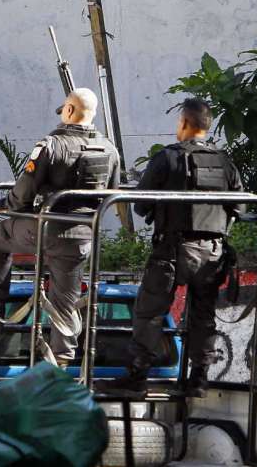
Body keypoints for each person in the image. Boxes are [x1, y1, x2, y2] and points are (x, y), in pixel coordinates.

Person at [97, 98, 243, 398]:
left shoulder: (168, 158)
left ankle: (137, 376)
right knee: (203, 315)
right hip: (213, 252)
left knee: (149, 311)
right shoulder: (225, 161)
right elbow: (239, 205)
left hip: (173, 251)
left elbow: (140, 206)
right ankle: (198, 380)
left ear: (184, 123)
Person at [0, 88, 120, 367]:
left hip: (43, 229)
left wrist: (7, 206)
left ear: (68, 111)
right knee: (64, 301)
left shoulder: (51, 144)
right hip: (81, 237)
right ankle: (64, 361)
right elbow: (111, 194)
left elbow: (24, 190)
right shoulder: (109, 149)